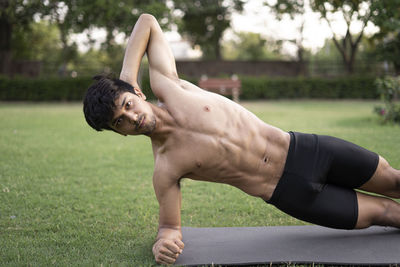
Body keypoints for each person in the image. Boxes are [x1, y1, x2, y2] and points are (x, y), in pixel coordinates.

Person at [83, 14, 400, 265]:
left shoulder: (169, 86)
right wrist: (164, 242)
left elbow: (147, 22)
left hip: (307, 150)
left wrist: (126, 77)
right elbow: (169, 228)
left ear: (137, 93)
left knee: (394, 181)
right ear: (120, 132)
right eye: (119, 122)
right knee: (386, 213)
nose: (131, 118)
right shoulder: (165, 167)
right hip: (290, 193)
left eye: (128, 106)